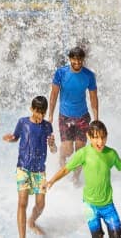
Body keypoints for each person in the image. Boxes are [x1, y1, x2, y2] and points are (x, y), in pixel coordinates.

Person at [45, 120, 121, 238]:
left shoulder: (111, 154)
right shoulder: (83, 153)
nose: (100, 141)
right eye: (96, 138)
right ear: (89, 136)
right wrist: (52, 181)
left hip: (108, 206)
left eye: (103, 137)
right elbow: (66, 169)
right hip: (90, 206)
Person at [3, 95, 57, 237]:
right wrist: (11, 139)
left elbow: (53, 150)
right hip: (23, 168)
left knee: (41, 205)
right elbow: (16, 138)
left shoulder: (47, 126)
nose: (40, 115)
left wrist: (52, 144)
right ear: (31, 109)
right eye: (37, 111)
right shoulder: (23, 123)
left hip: (39, 171)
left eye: (43, 112)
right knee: (22, 203)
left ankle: (31, 221)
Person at [48, 46, 98, 185]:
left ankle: (75, 179)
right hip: (65, 116)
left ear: (83, 60)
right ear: (70, 59)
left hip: (82, 116)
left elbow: (93, 97)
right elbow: (53, 95)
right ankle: (62, 170)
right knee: (68, 150)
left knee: (80, 151)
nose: (77, 63)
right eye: (74, 61)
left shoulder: (89, 75)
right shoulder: (61, 73)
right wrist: (50, 115)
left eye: (80, 61)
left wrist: (96, 119)